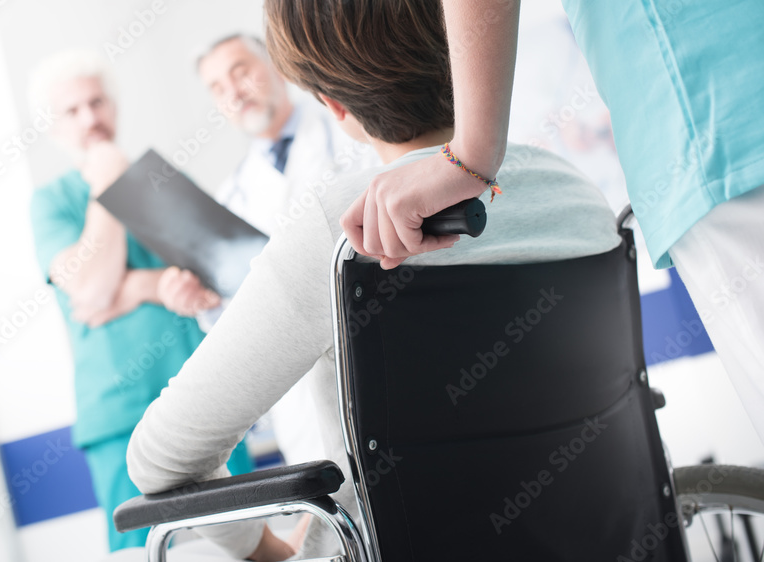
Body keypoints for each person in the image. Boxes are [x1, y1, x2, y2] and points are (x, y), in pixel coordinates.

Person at [124, 0, 620, 559]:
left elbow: (161, 456)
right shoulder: (577, 192)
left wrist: (270, 553)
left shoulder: (341, 225)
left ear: (330, 103)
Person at [344, 0, 764, 438]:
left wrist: (469, 157)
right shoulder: (572, 187)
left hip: (722, 122)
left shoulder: (355, 210)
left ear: (334, 103)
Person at [26, 50, 253, 552]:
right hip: (119, 415)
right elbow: (89, 288)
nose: (91, 118)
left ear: (114, 106)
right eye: (72, 111)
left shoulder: (159, 182)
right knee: (142, 552)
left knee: (246, 541)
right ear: (53, 127)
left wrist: (129, 288)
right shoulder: (52, 202)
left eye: (98, 102)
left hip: (209, 399)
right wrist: (109, 184)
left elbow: (223, 273)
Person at [195, 33, 378, 466]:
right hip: (298, 404)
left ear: (278, 68)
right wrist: (205, 302)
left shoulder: (354, 138)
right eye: (218, 88)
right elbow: (239, 323)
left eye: (242, 73)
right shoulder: (230, 197)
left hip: (371, 354)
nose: (234, 93)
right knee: (330, 522)